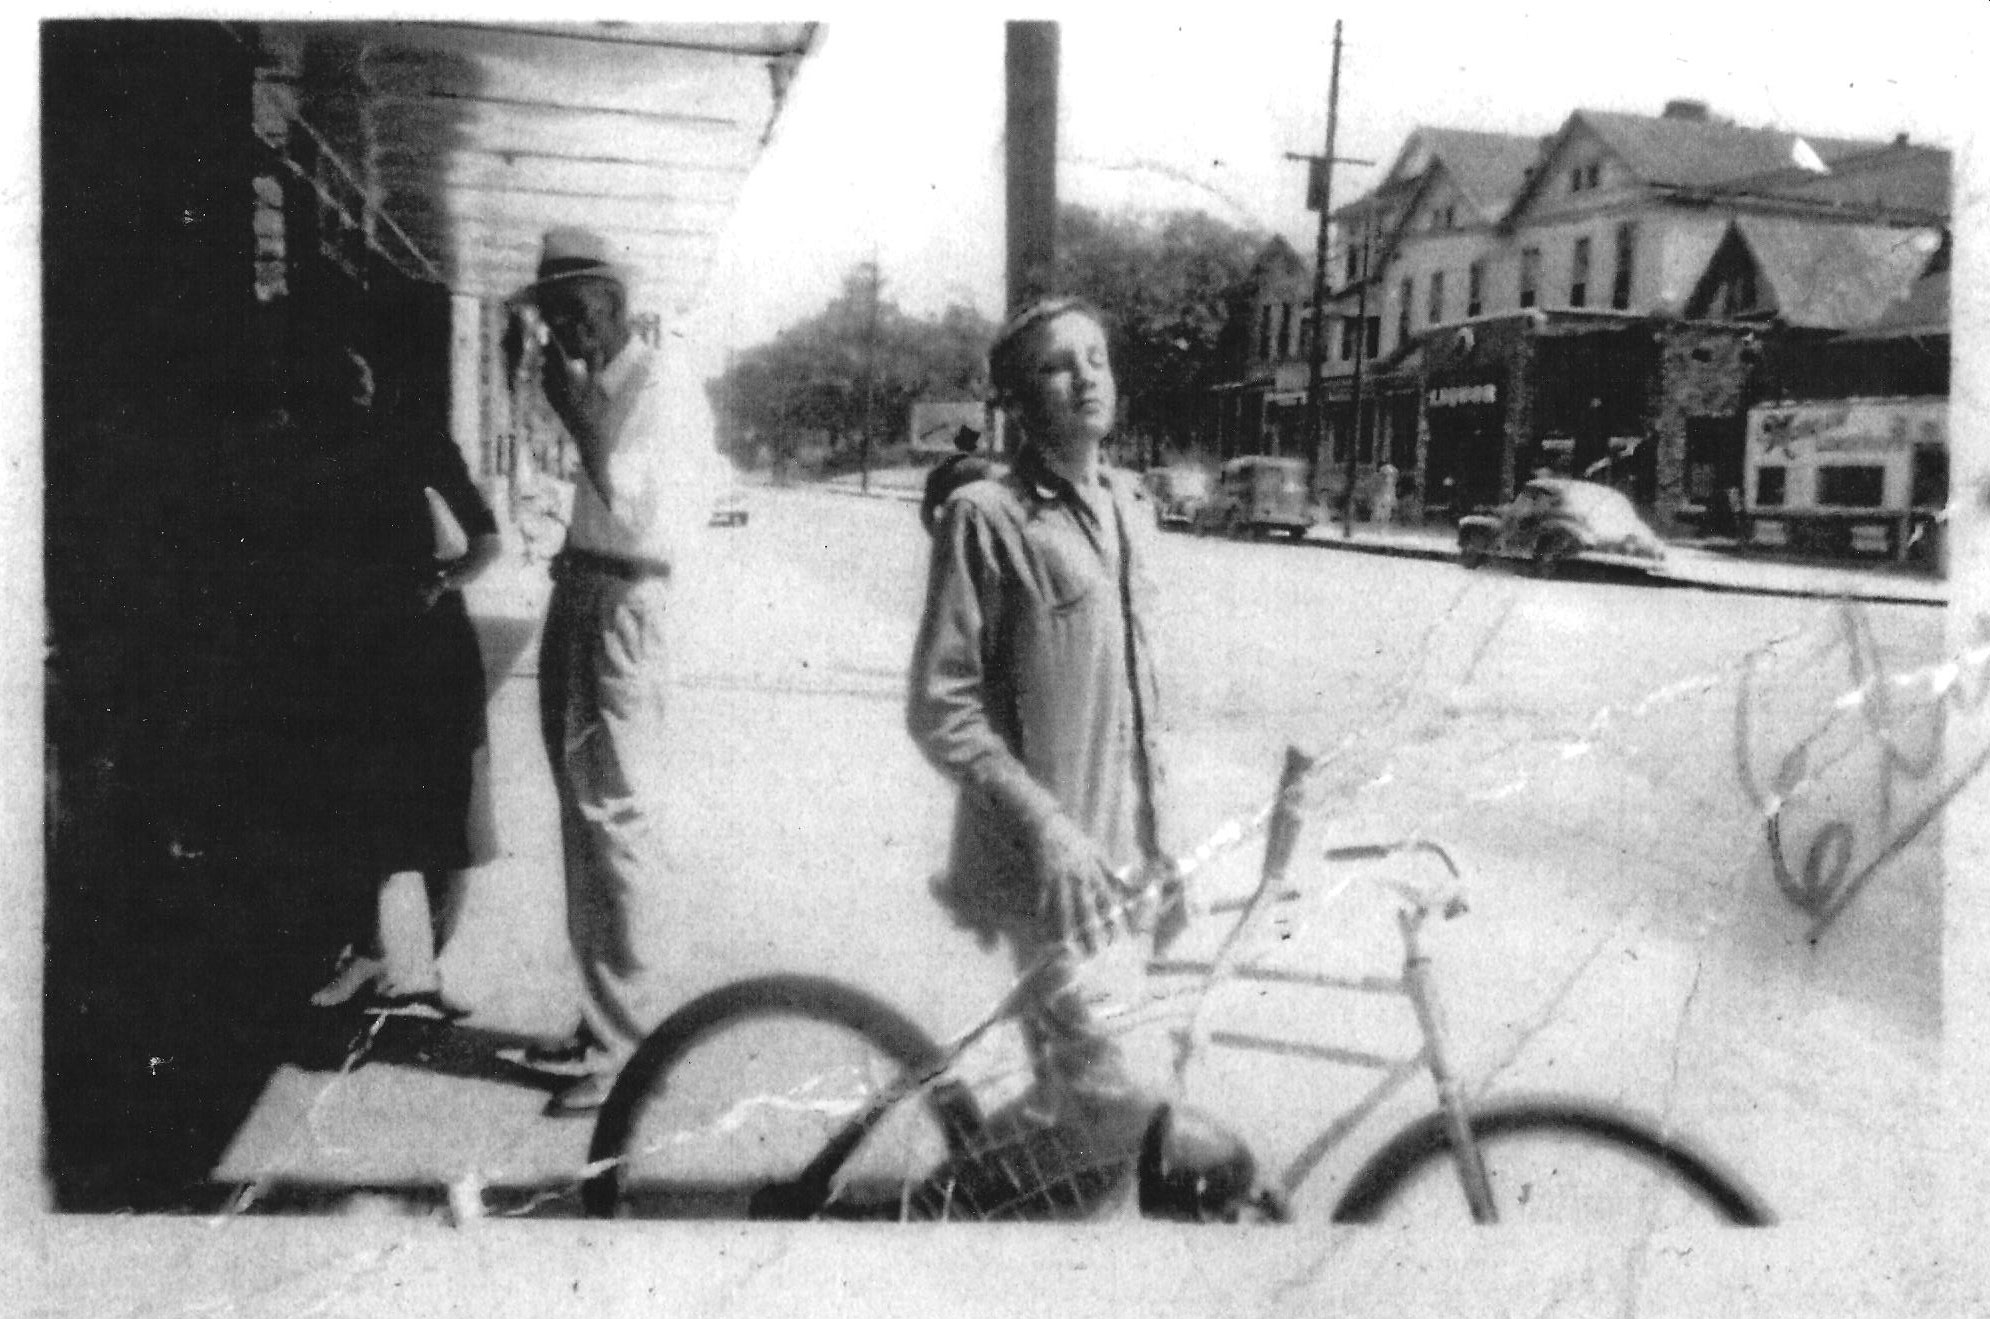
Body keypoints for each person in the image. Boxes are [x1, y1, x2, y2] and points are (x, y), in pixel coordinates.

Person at [906, 296, 1181, 1206]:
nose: (1086, 377)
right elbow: (941, 707)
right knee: (1120, 1099)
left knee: (1095, 1132)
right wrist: (1051, 828)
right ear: (1018, 402)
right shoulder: (987, 516)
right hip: (1044, 869)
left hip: (1123, 867)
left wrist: (1166, 844)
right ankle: (931, 1211)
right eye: (1058, 366)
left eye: (1097, 357)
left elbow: (1139, 697)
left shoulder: (1131, 506)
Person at [496, 227, 718, 1115]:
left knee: (617, 816)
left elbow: (639, 507)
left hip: (627, 602)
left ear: (617, 303)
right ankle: (598, 1019)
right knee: (580, 813)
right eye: (553, 313)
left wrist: (579, 417)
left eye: (578, 308)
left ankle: (628, 1042)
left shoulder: (663, 387)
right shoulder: (595, 383)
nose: (566, 327)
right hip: (581, 588)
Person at [288, 345, 504, 1020]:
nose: (353, 391)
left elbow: (487, 542)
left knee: (446, 810)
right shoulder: (306, 456)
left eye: (360, 376)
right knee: (369, 809)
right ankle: (375, 956)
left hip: (430, 654)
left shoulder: (420, 443)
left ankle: (423, 965)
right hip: (356, 655)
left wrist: (439, 583)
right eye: (338, 381)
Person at [919, 422, 995, 535]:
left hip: (948, 531)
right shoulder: (983, 469)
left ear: (957, 445)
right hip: (978, 533)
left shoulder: (938, 471)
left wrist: (937, 535)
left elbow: (926, 512)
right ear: (975, 446)